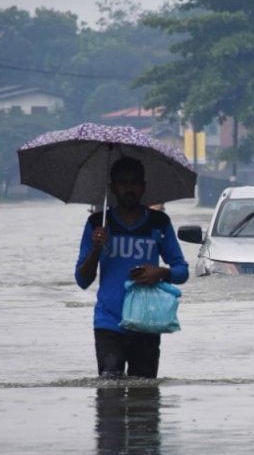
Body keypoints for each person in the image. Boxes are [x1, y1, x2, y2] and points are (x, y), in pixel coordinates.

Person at [75, 156, 189, 379]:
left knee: (145, 401)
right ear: (113, 188)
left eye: (134, 183)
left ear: (143, 187)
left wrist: (161, 273)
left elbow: (182, 271)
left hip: (146, 323)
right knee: (109, 398)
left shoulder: (159, 223)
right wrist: (96, 248)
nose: (129, 188)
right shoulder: (98, 224)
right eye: (123, 183)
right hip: (108, 324)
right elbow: (82, 280)